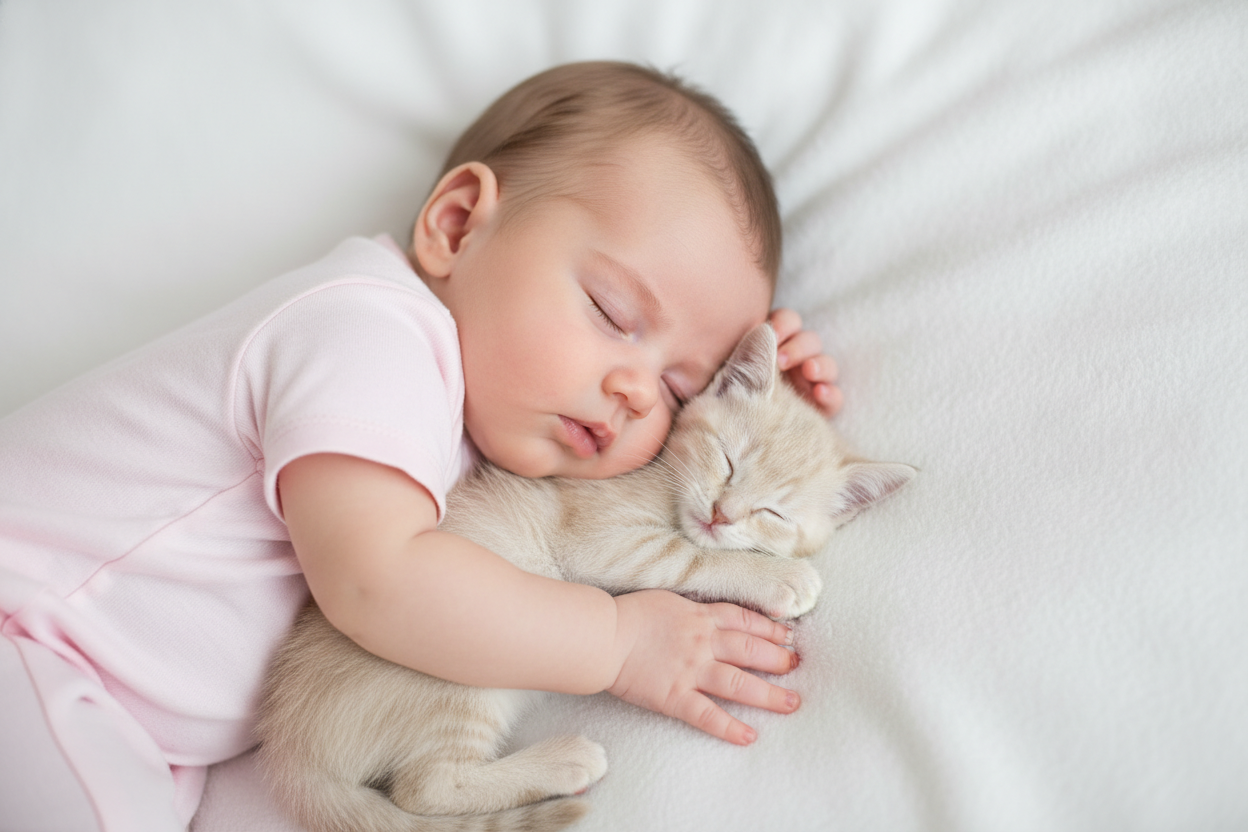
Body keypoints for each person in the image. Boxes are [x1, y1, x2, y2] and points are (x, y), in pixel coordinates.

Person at [0, 61, 840, 831]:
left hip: (120, 718)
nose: (634, 389)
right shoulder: (370, 331)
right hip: (29, 635)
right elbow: (380, 582)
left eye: (679, 389)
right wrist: (615, 644)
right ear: (458, 222)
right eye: (613, 313)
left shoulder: (474, 430)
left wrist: (760, 407)